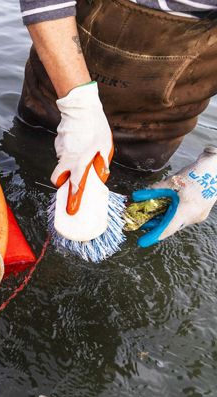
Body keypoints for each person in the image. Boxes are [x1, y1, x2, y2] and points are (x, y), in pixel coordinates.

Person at [17, 0, 217, 247]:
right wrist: (78, 107)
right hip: (52, 101)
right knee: (23, 173)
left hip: (151, 133)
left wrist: (214, 170)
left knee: (130, 194)